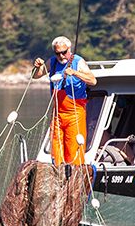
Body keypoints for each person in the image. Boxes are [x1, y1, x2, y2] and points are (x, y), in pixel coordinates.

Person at [33, 36, 97, 165]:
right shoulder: (53, 62)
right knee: (56, 150)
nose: (61, 56)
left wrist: (75, 73)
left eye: (64, 52)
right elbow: (35, 76)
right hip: (57, 114)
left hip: (74, 114)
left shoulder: (78, 62)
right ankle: (58, 173)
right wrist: (37, 67)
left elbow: (93, 81)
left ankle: (74, 177)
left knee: (74, 151)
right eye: (58, 53)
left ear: (69, 49)